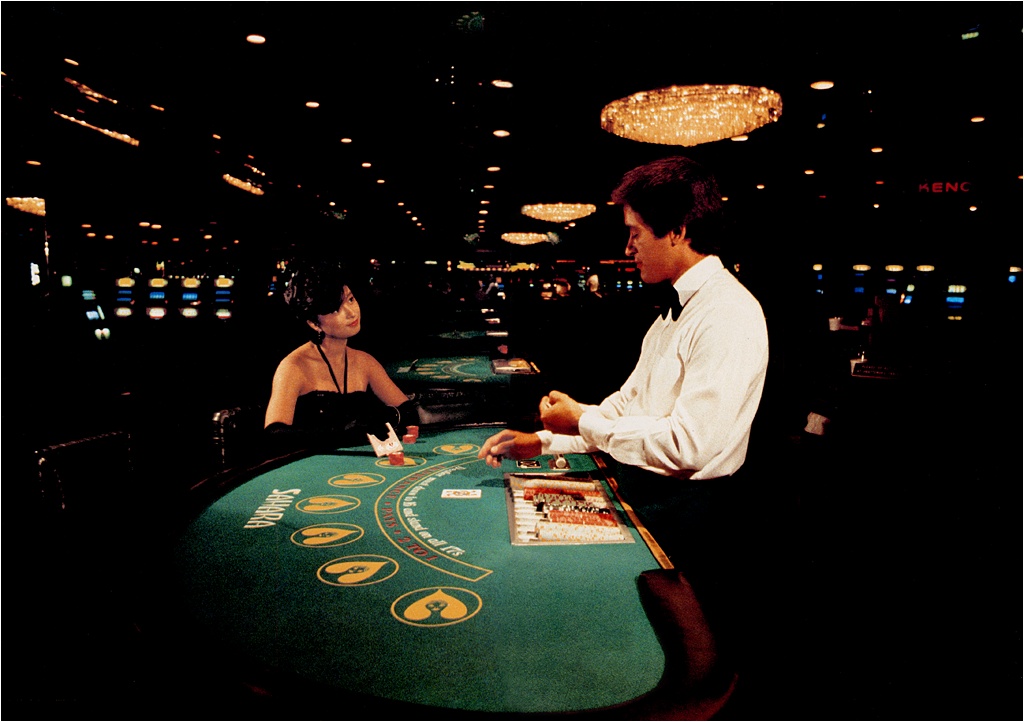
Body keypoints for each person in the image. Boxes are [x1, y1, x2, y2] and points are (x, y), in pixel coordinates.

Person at [478, 156, 769, 656]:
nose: (627, 247)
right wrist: (544, 441)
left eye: (635, 233)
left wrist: (581, 419)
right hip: (645, 494)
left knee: (654, 657)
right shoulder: (670, 315)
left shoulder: (728, 313)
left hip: (690, 522)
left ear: (677, 231)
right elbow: (624, 409)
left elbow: (690, 446)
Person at [264, 256, 416, 450]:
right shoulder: (294, 366)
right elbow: (275, 434)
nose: (351, 312)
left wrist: (387, 417)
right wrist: (344, 432)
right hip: (311, 463)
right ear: (314, 323)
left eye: (351, 299)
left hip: (358, 463)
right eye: (336, 310)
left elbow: (409, 412)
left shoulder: (364, 361)